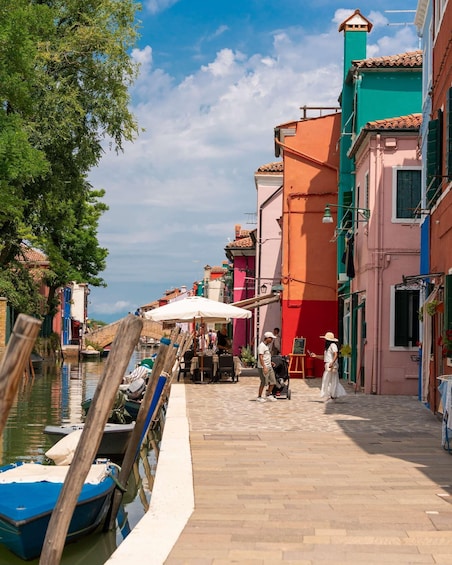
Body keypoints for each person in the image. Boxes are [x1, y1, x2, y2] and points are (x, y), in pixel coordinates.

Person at [310, 331, 346, 401]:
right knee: (328, 380)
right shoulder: (328, 348)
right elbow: (325, 357)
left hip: (331, 365)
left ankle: (332, 394)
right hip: (328, 364)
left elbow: (336, 354)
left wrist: (332, 362)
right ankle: (331, 394)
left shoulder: (333, 345)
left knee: (331, 380)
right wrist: (316, 356)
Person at [256, 331, 278, 402]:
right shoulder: (261, 346)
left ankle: (268, 394)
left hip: (269, 366)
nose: (272, 340)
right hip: (263, 367)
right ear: (267, 338)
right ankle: (259, 397)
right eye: (271, 338)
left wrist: (270, 362)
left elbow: (266, 356)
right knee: (263, 382)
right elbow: (261, 357)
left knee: (273, 381)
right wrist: (264, 367)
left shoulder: (267, 346)